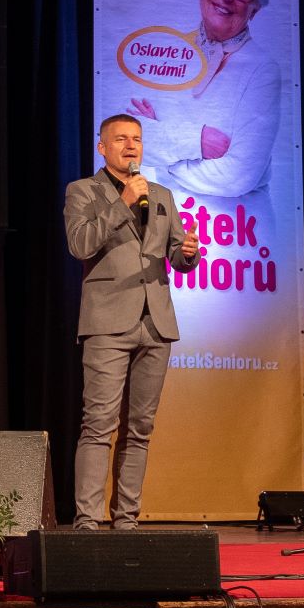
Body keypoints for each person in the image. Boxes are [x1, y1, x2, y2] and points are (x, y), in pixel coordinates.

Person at [64, 114, 200, 529]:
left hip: (155, 322)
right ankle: (88, 521)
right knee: (98, 424)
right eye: (121, 139)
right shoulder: (83, 191)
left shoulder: (161, 195)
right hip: (107, 322)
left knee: (140, 428)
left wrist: (188, 253)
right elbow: (80, 245)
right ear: (102, 147)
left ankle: (127, 520)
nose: (130, 146)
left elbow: (175, 255)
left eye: (136, 139)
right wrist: (122, 203)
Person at [146, 0, 281, 199]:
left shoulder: (264, 71)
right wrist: (198, 140)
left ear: (255, 7)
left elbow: (236, 177)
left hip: (236, 224)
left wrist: (164, 161)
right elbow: (132, 139)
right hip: (157, 217)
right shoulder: (165, 52)